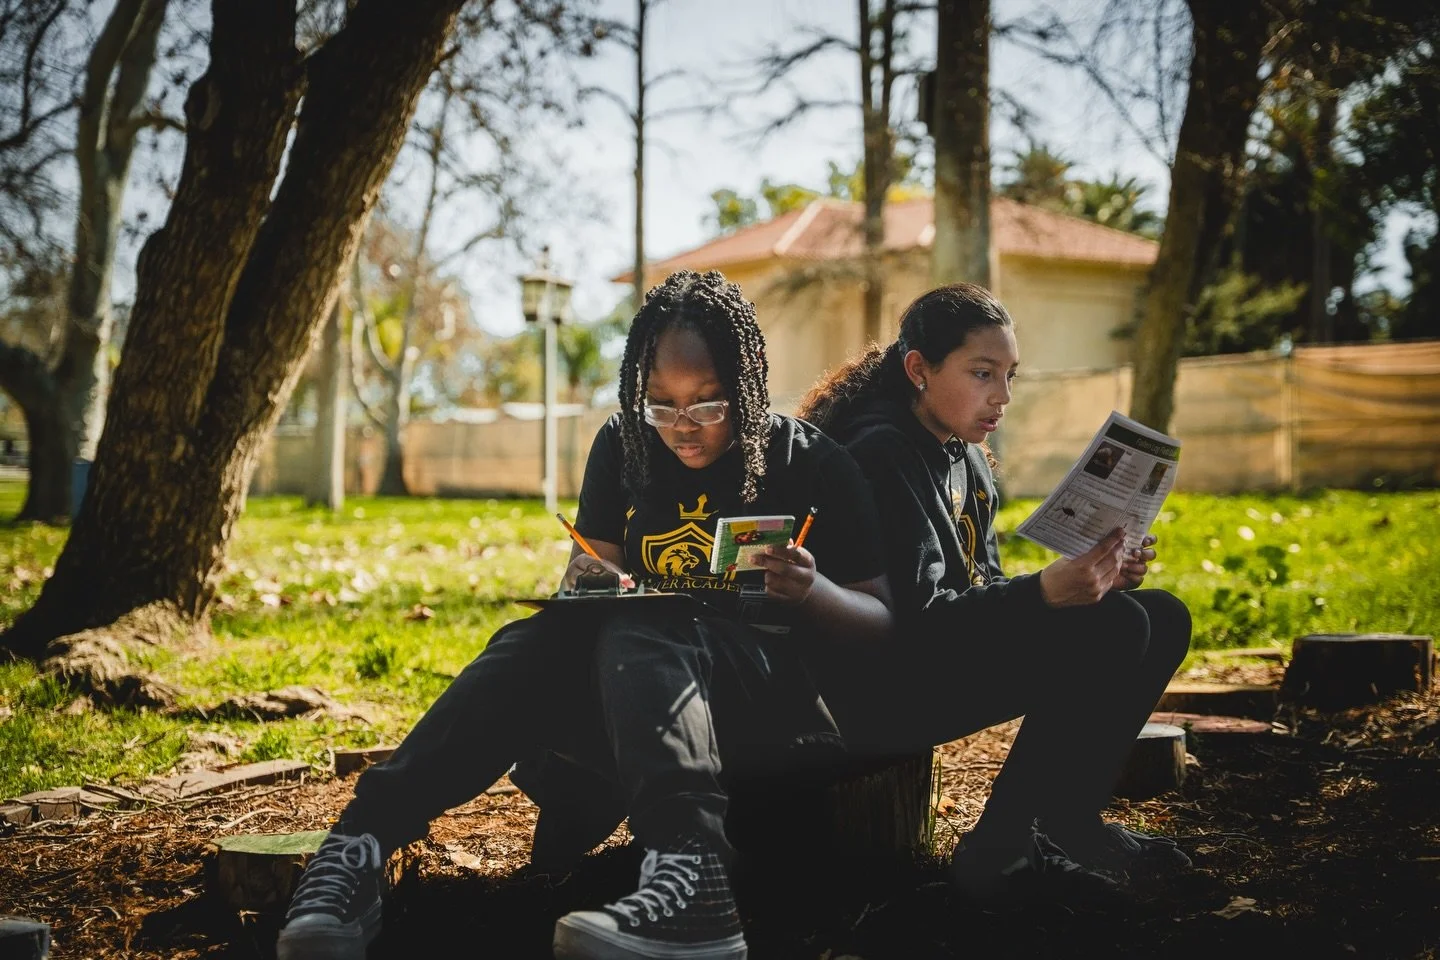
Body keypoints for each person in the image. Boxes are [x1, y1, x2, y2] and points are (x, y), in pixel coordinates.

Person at [275, 270, 892, 960]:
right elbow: (590, 580)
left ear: (746, 383)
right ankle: (359, 846)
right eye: (660, 405)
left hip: (770, 716)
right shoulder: (625, 445)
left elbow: (880, 623)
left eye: (707, 404)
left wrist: (814, 592)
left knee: (647, 621)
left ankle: (695, 880)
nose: (681, 428)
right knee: (535, 639)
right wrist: (587, 588)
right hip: (640, 701)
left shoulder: (813, 464)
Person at [796, 282, 1193, 902]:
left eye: (1010, 375)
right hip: (870, 694)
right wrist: (1043, 594)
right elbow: (916, 625)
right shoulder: (880, 454)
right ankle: (1000, 849)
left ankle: (1068, 825)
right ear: (918, 369)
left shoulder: (967, 457)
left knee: (1161, 614)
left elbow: (977, 589)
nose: (1002, 396)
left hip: (933, 663)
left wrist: (1092, 576)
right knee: (1116, 626)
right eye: (983, 373)